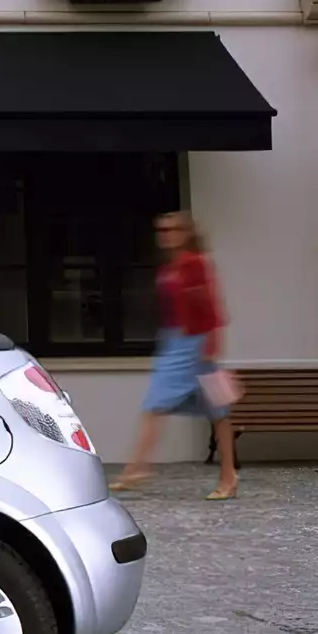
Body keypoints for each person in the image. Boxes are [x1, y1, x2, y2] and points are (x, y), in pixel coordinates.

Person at [112, 211, 239, 501]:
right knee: (213, 410)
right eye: (162, 230)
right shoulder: (171, 266)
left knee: (174, 405)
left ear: (186, 233)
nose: (166, 235)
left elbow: (210, 306)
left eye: (172, 229)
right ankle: (227, 476)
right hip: (172, 341)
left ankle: (137, 468)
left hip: (193, 343)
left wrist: (211, 344)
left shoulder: (194, 264)